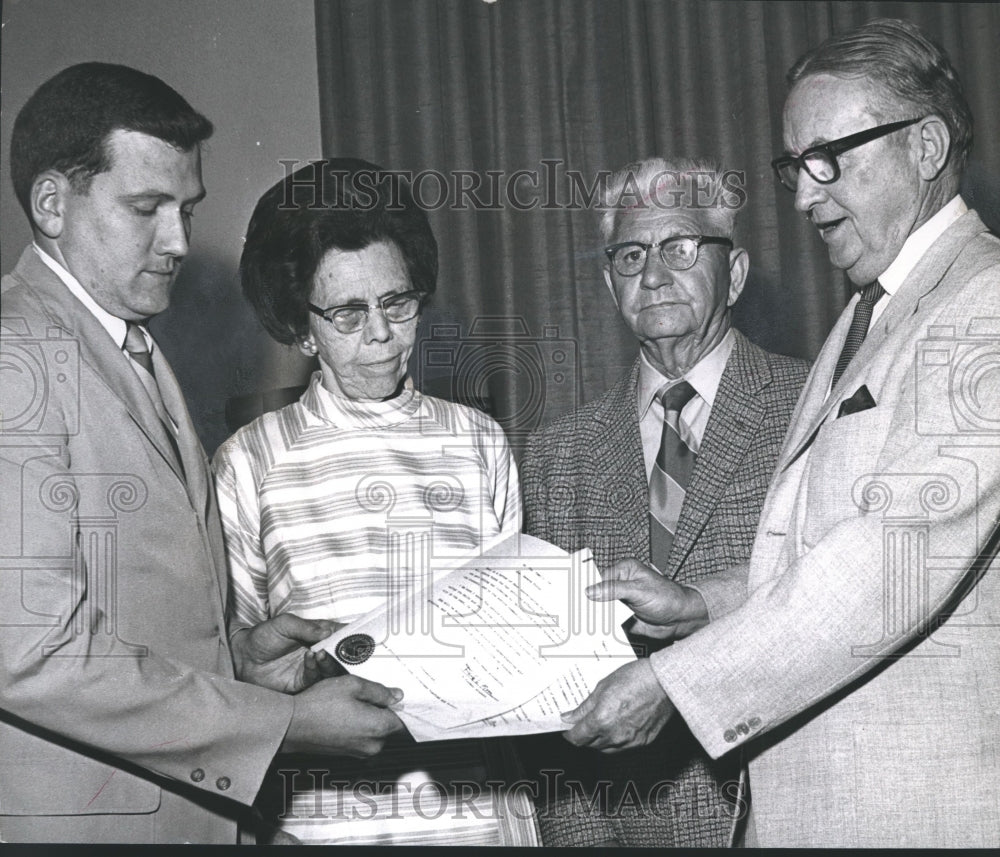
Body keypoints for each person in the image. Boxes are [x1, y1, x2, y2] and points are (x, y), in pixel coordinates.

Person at [565, 18, 1000, 848]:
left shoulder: (983, 305)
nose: (803, 196)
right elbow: (816, 552)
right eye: (795, 166)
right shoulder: (867, 315)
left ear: (928, 144)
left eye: (830, 159)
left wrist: (675, 681)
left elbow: (889, 560)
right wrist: (703, 603)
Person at [0, 63, 405, 845]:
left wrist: (243, 661)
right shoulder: (14, 354)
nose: (180, 241)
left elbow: (141, 614)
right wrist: (279, 722)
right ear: (53, 204)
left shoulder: (127, 344)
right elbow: (30, 649)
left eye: (186, 209)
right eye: (147, 208)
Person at [212, 158, 532, 846]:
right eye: (348, 313)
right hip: (321, 819)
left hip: (474, 807)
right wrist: (274, 680)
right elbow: (234, 664)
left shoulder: (478, 439)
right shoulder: (249, 460)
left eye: (397, 302)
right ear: (302, 328)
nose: (381, 334)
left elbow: (518, 638)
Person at [517, 158, 810, 847]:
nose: (652, 275)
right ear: (608, 279)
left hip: (781, 815)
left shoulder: (813, 408)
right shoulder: (556, 454)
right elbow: (551, 706)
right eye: (630, 254)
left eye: (680, 247)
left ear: (733, 273)